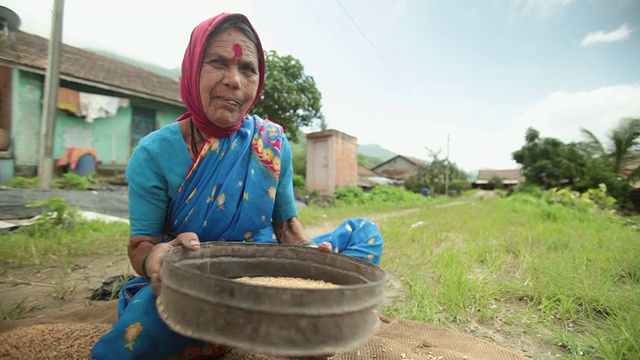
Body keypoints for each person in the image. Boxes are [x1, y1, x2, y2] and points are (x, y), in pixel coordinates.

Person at [91, 12, 384, 360]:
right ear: (192, 69)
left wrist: (310, 258)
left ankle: (269, 323)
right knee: (126, 348)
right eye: (217, 62)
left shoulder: (271, 142)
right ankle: (279, 328)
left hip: (268, 280)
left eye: (247, 68)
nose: (234, 80)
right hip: (197, 287)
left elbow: (288, 229)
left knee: (364, 234)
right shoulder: (154, 153)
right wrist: (154, 257)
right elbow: (142, 245)